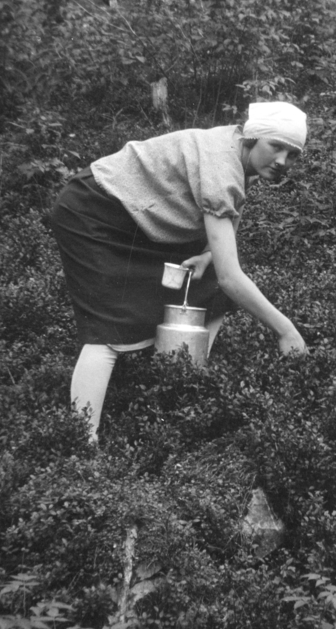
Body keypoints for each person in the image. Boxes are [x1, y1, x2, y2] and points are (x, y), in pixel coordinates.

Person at [49, 102, 309, 443]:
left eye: (292, 155)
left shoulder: (237, 150)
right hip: (92, 211)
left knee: (210, 286)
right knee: (110, 324)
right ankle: (82, 442)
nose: (281, 162)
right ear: (252, 137)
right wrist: (285, 330)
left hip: (139, 215)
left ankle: (182, 387)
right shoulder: (222, 163)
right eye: (276, 147)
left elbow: (232, 207)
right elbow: (233, 276)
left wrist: (205, 255)